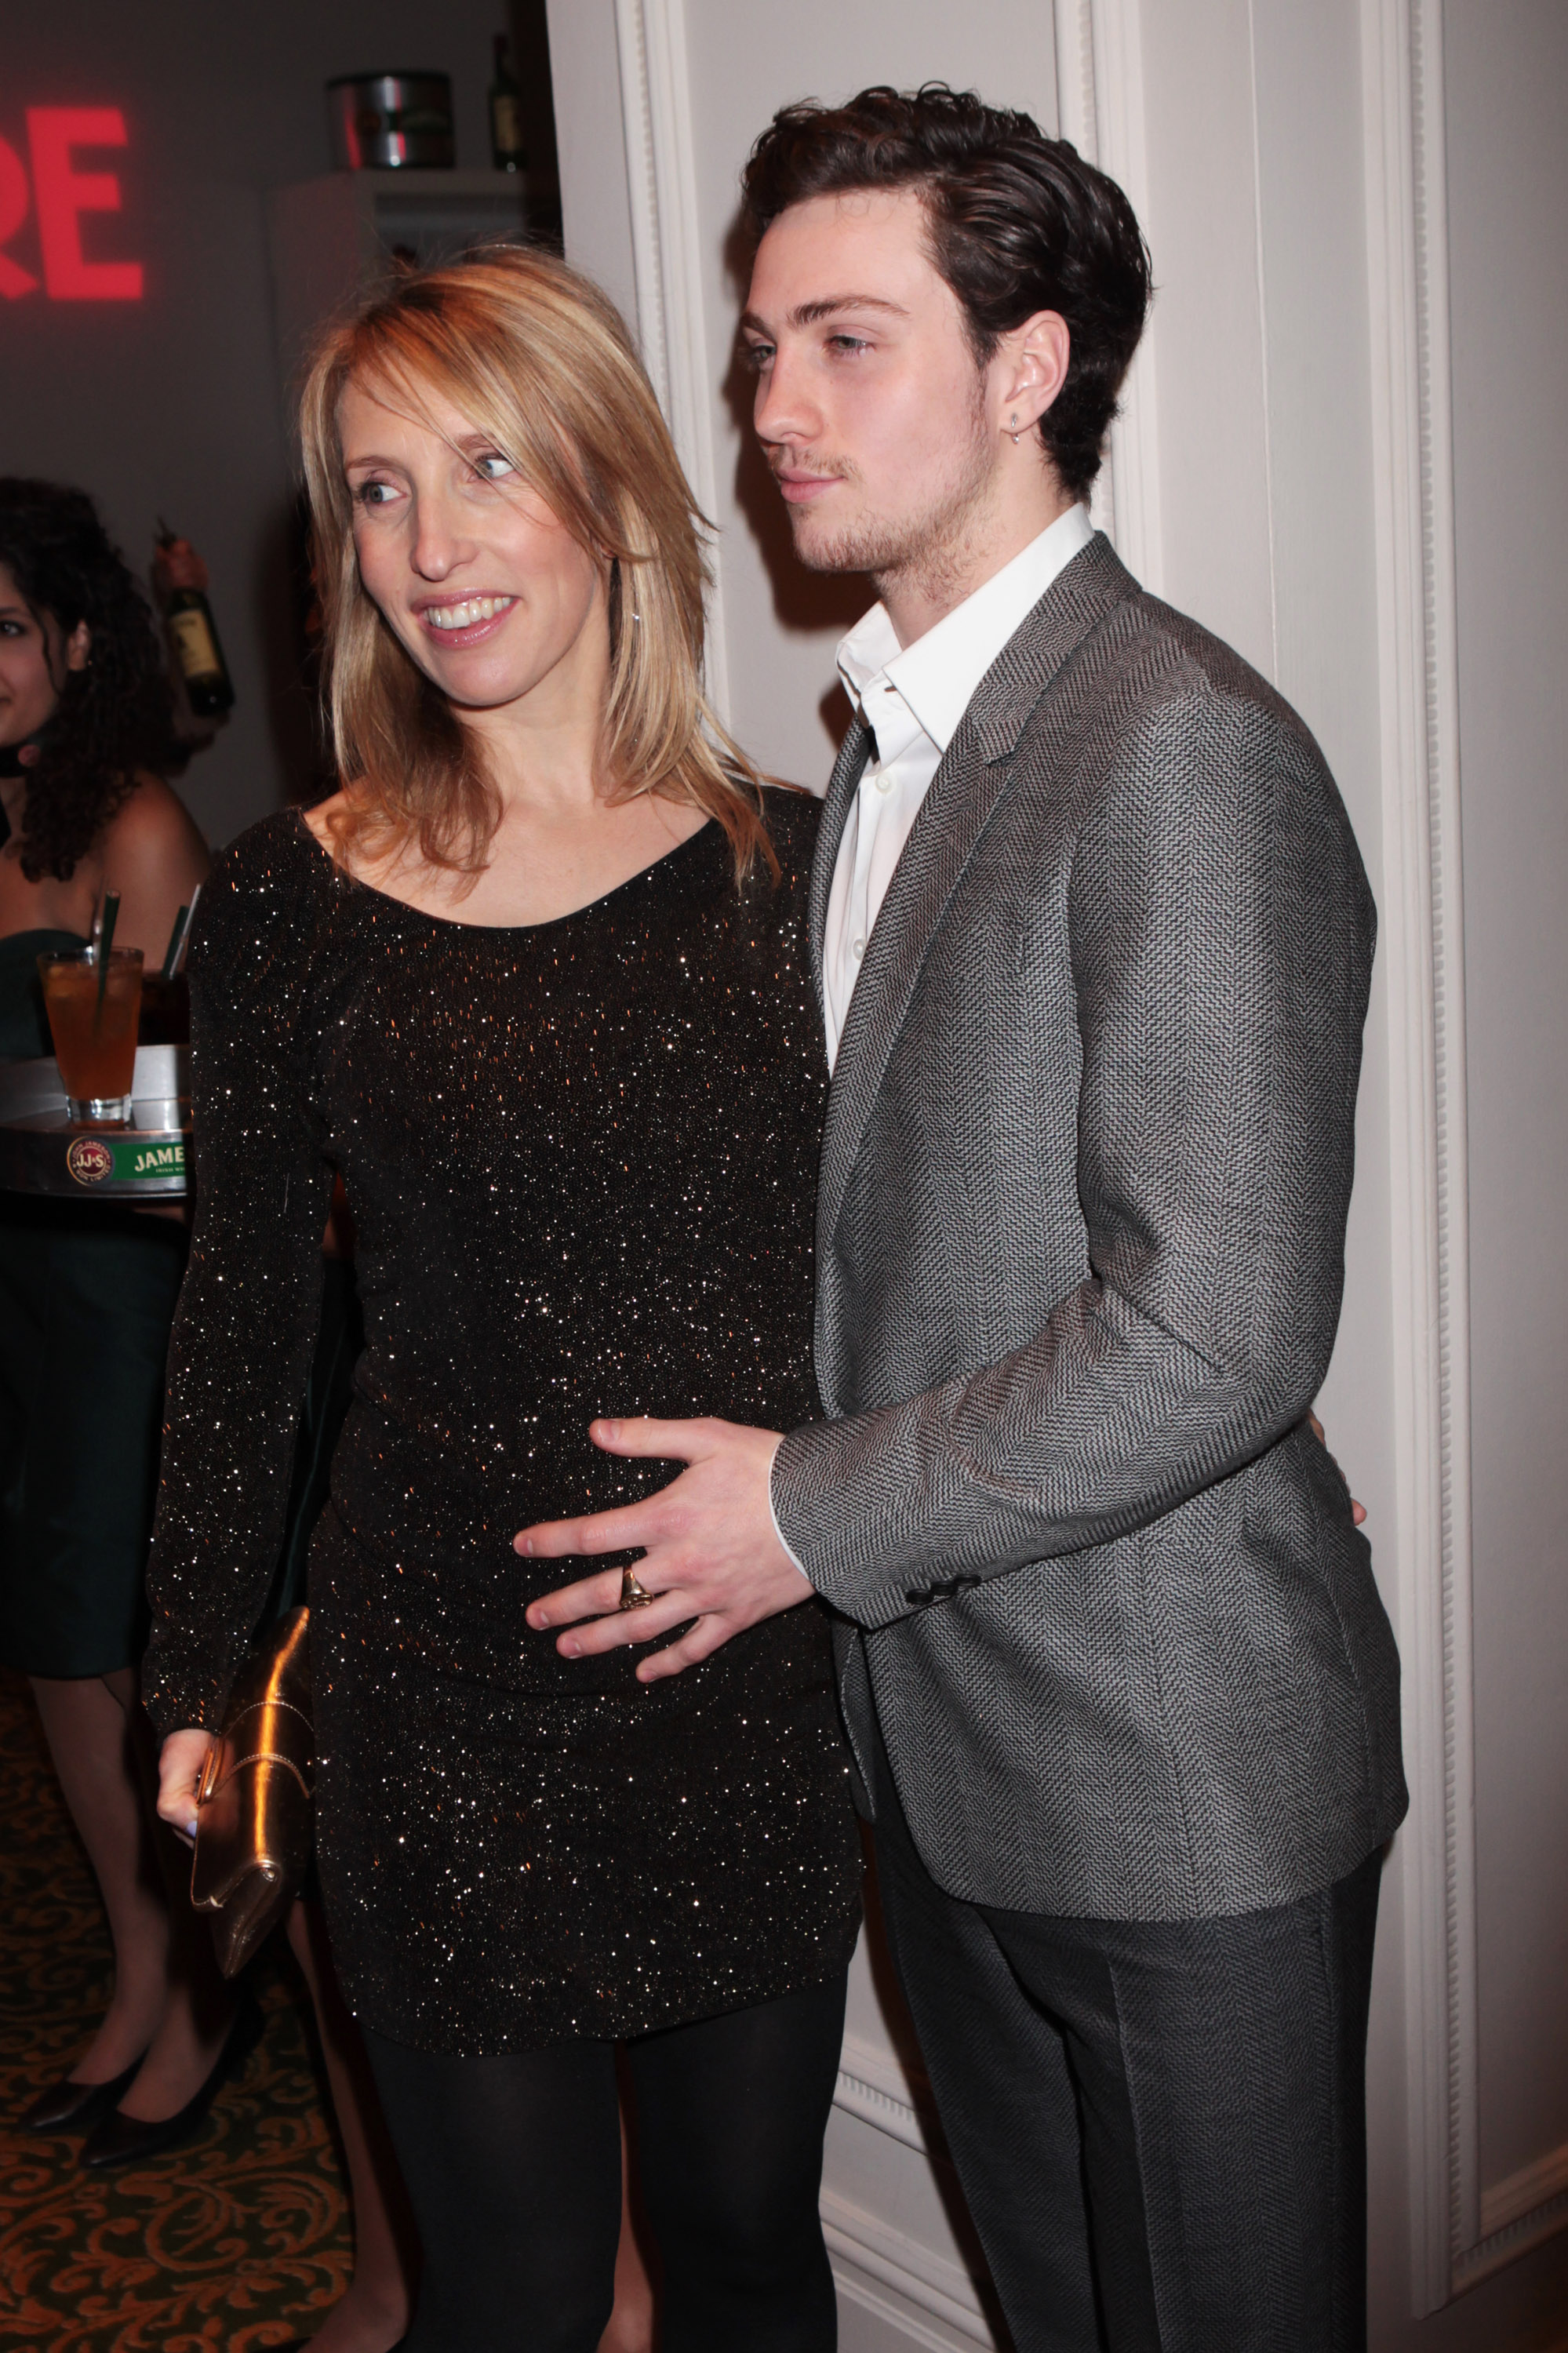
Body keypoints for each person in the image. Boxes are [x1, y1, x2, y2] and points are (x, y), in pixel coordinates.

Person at [518, 85, 1409, 2353]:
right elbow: (901, 1237)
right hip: (940, 1759)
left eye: (842, 343)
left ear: (1027, 370)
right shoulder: (877, 763)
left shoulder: (1177, 740)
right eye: (756, 350)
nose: (767, 413)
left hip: (1176, 1776)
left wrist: (809, 1516)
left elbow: (1217, 1326)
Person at [147, 247, 862, 2353]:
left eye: (482, 468)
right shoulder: (288, 900)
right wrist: (193, 1674)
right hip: (437, 1702)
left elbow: (936, 1248)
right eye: (375, 491)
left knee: (746, 2260)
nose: (431, 547)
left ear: (613, 492)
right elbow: (246, 1315)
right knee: (516, 2297)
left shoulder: (792, 867)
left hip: (742, 1674)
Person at [0, 479, 249, 2167]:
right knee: (50, 1657)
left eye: (2, 630)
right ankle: (138, 1960)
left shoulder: (130, 835)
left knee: (133, 1651)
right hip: (6, 1302)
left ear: (77, 645)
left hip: (110, 1302)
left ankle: (213, 1997)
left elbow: (133, 1141)